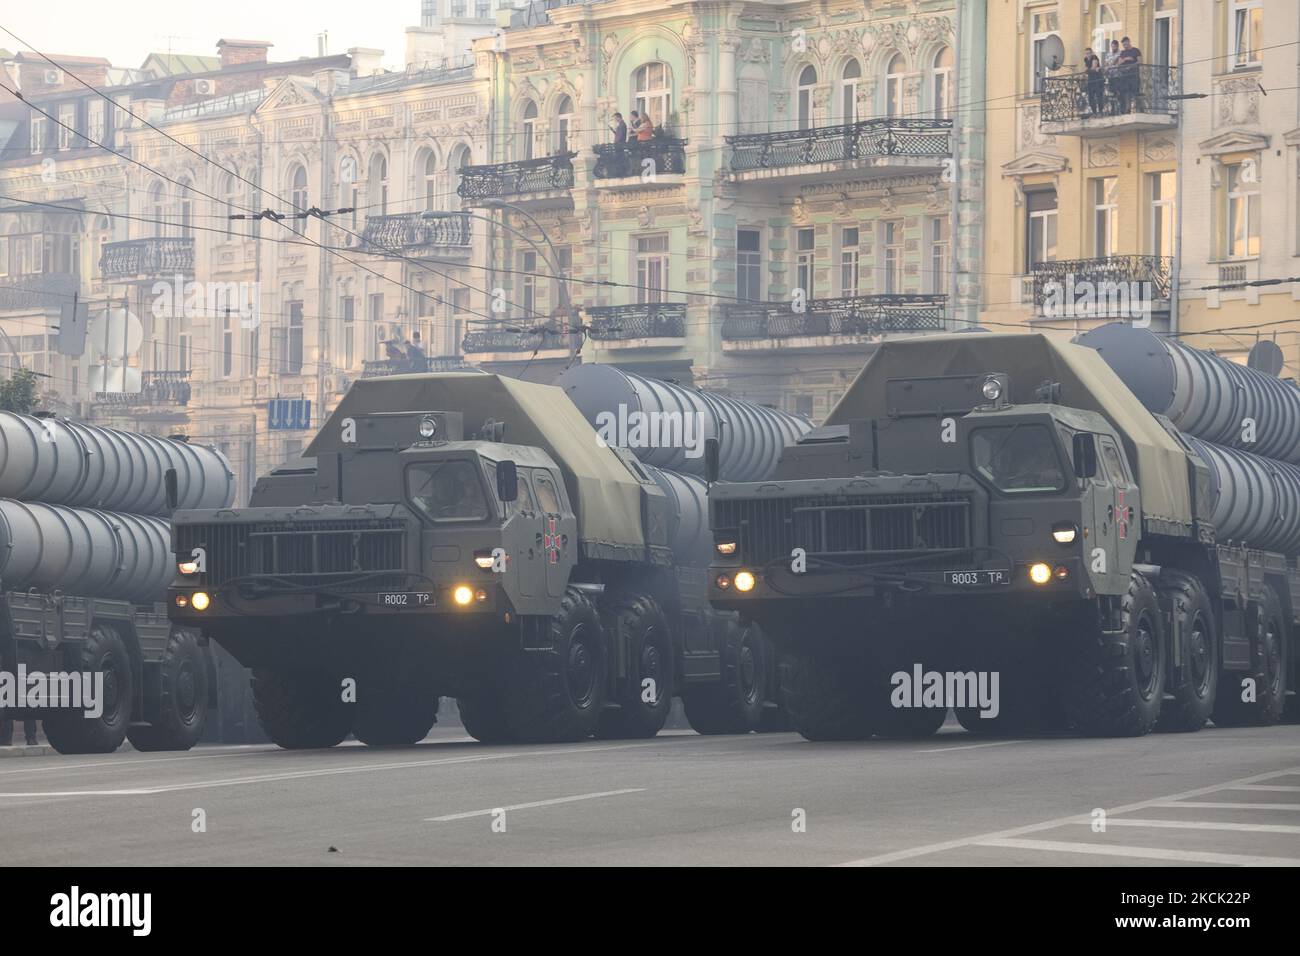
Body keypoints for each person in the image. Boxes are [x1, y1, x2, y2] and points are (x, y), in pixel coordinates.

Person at [1117, 37, 1142, 113]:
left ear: (1129, 42)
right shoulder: (1123, 53)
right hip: (1125, 75)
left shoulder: (1136, 50)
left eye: (1126, 44)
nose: (1125, 46)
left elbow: (1140, 62)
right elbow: (1118, 63)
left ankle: (1138, 109)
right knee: (1126, 92)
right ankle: (1128, 108)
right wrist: (1126, 59)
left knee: (1135, 91)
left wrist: (1131, 66)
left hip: (1134, 74)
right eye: (1123, 44)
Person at [1083, 47, 1105, 115]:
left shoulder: (1094, 57)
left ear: (1091, 53)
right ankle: (1094, 112)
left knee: (1099, 96)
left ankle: (1100, 111)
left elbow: (1093, 67)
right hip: (1091, 80)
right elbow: (1087, 69)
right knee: (1091, 97)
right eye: (1086, 53)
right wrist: (1089, 70)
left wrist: (1088, 70)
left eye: (1089, 53)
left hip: (1098, 79)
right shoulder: (1086, 59)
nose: (1088, 55)